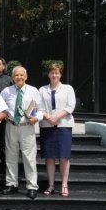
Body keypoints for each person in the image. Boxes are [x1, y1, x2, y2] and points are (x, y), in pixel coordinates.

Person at [0, 66, 42, 199]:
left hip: (27, 127)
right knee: (10, 157)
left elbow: (40, 109)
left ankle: (32, 186)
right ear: (12, 77)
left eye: (21, 75)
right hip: (11, 126)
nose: (19, 77)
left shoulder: (33, 91)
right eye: (16, 75)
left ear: (26, 76)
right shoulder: (6, 91)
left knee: (29, 158)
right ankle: (12, 184)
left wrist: (37, 118)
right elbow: (0, 107)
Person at [38, 62, 76, 198]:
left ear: (61, 74)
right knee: (49, 157)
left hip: (63, 125)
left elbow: (71, 105)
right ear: (48, 74)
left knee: (64, 157)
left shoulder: (68, 88)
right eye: (52, 72)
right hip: (47, 125)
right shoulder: (42, 90)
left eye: (57, 72)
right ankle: (51, 185)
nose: (54, 75)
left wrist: (57, 117)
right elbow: (39, 107)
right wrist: (49, 117)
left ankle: (64, 184)